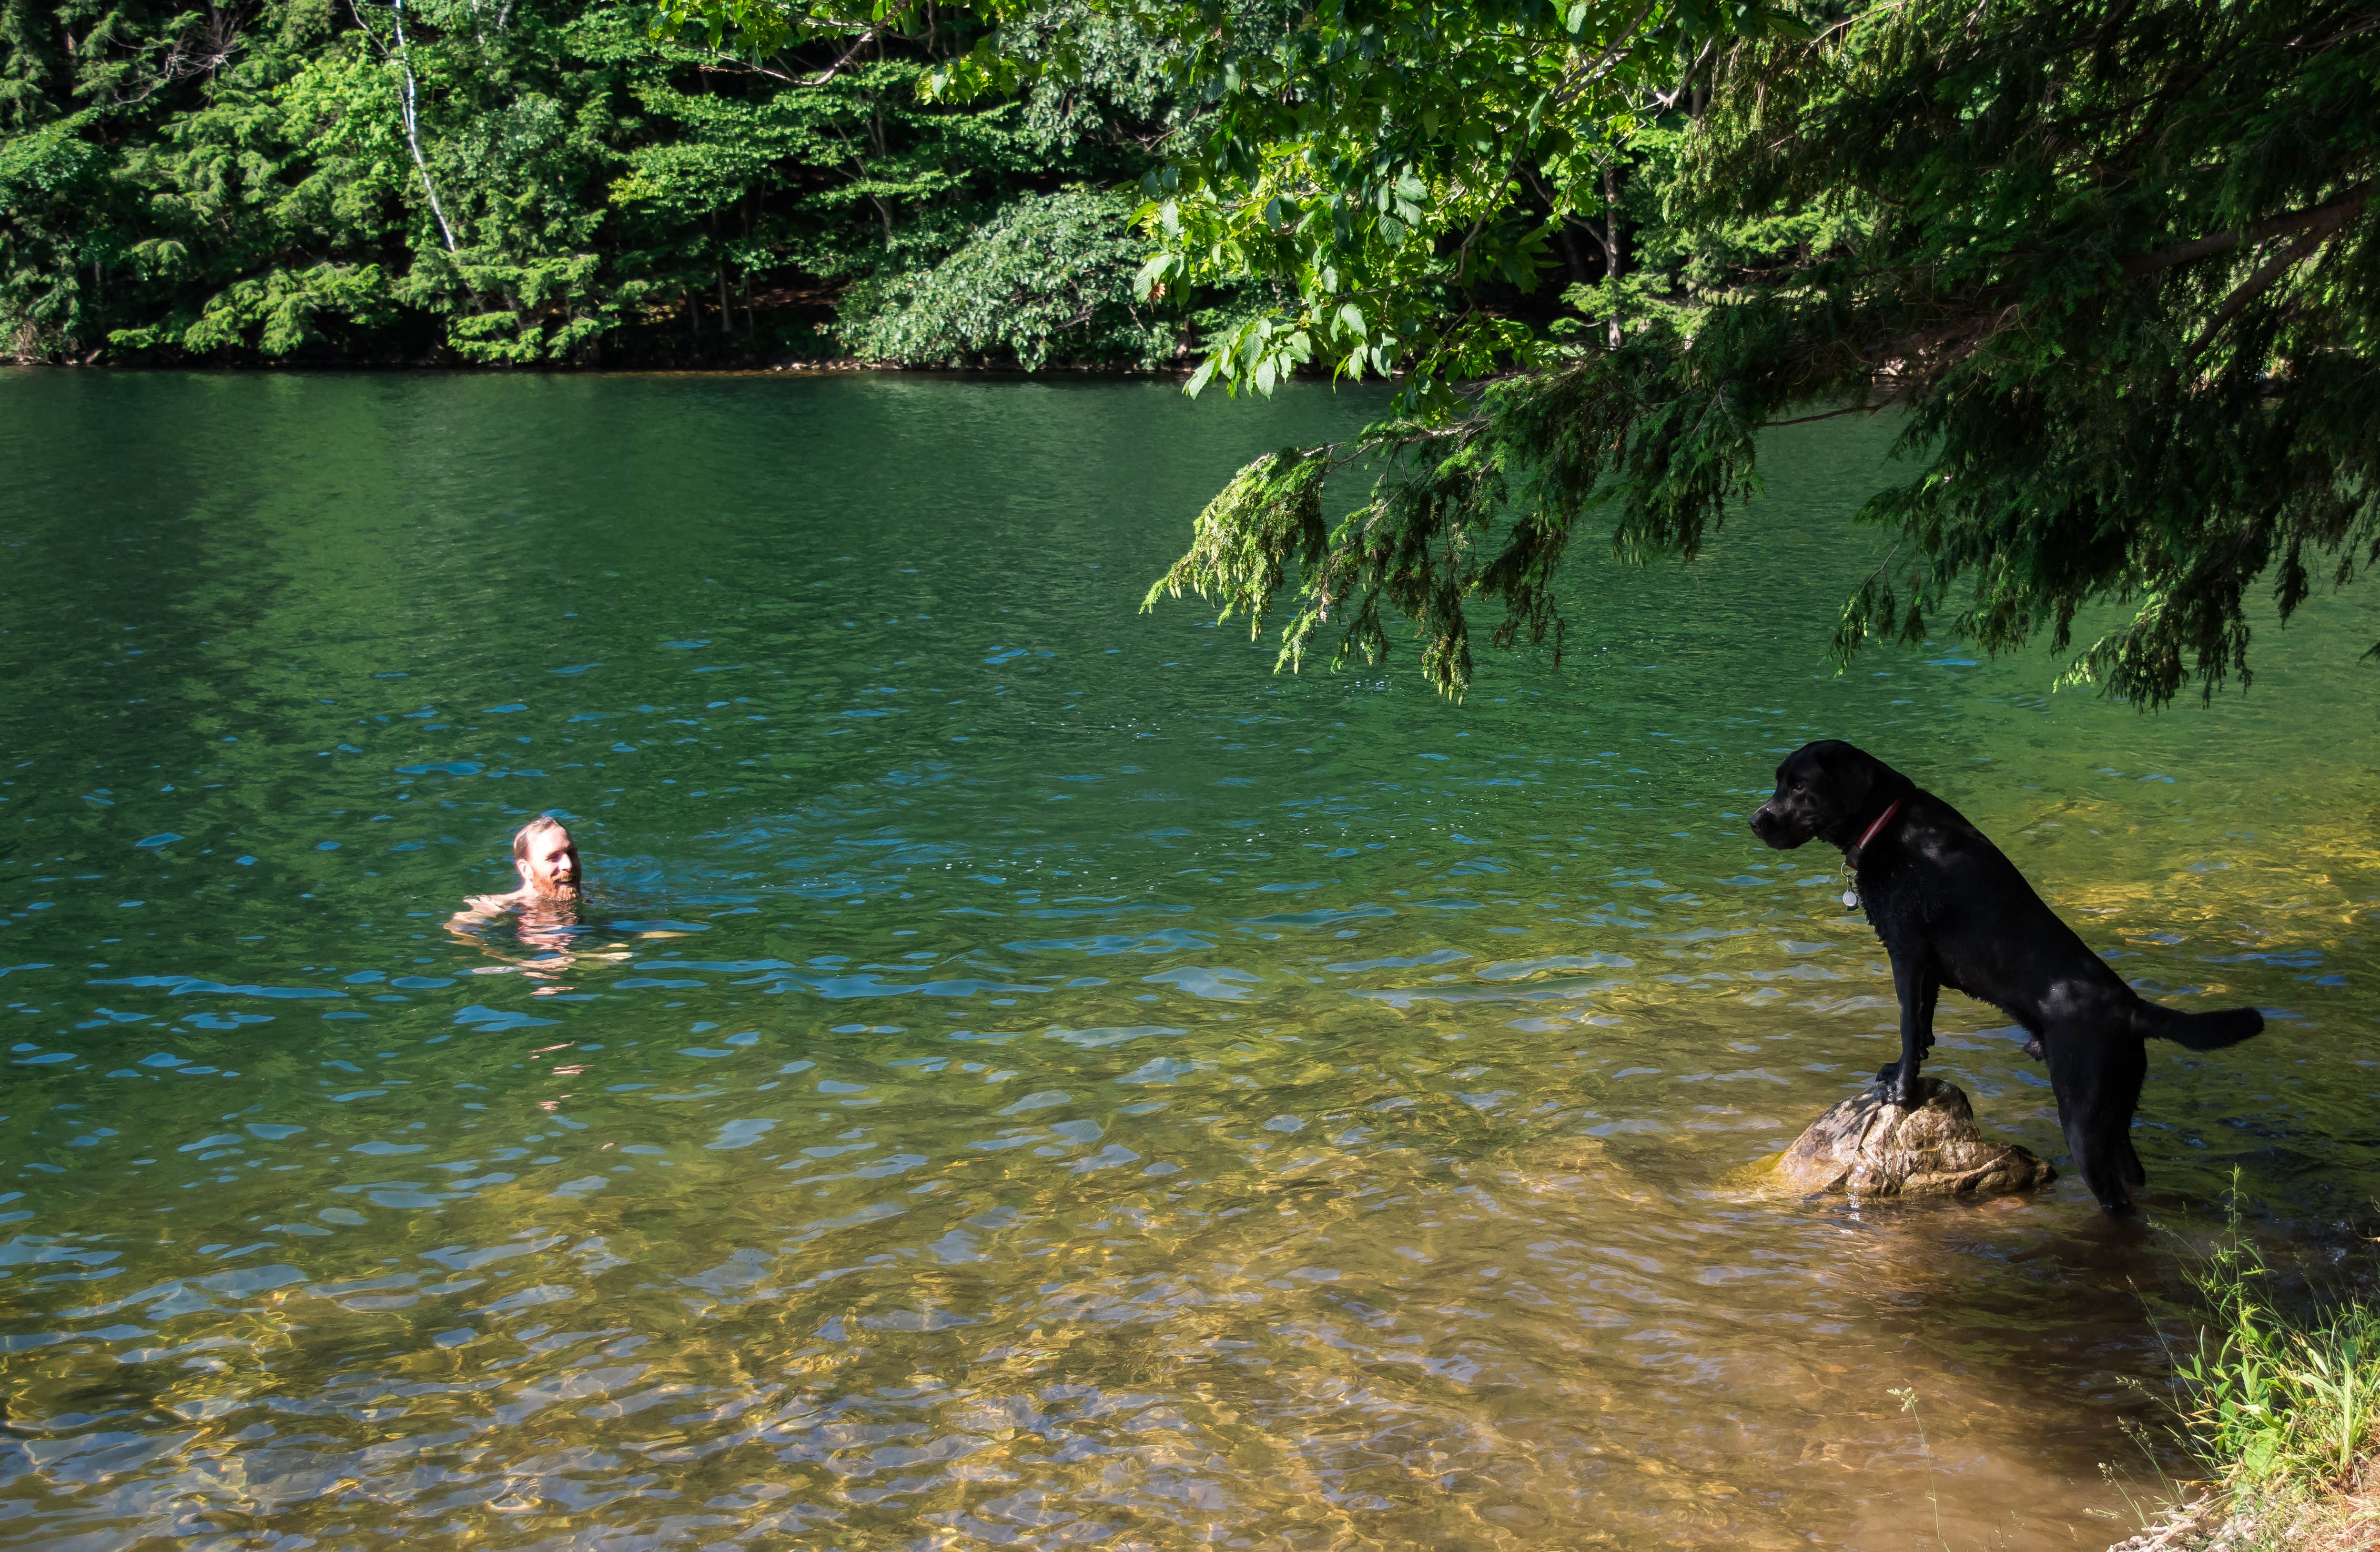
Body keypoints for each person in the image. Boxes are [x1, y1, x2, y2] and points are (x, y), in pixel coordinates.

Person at [449, 816, 589, 972]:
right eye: (553, 858)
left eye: (571, 853)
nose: (568, 865)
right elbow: (459, 930)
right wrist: (518, 963)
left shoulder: (598, 894)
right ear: (525, 869)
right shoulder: (499, 905)